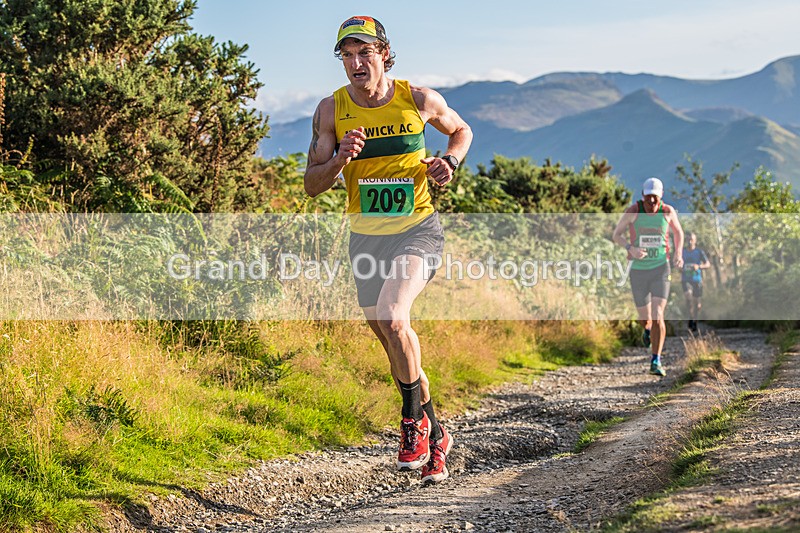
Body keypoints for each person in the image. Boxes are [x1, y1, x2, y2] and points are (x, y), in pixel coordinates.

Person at [303, 16, 472, 483]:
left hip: (417, 229)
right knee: (395, 339)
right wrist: (339, 159)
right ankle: (437, 433)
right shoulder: (331, 111)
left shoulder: (417, 99)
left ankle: (410, 422)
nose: (356, 63)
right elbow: (312, 185)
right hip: (366, 237)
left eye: (364, 52)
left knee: (396, 317)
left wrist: (449, 162)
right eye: (346, 55)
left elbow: (461, 131)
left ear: (383, 53)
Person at [612, 177, 684, 377]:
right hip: (638, 270)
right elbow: (616, 235)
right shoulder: (633, 212)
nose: (652, 202)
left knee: (658, 313)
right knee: (646, 318)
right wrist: (630, 248)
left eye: (655, 198)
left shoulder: (667, 211)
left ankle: (656, 360)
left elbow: (679, 233)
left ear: (661, 197)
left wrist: (678, 253)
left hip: (661, 268)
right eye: (648, 197)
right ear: (642, 196)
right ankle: (647, 329)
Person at [682, 232, 711, 333]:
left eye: (692, 240)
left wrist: (699, 267)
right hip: (686, 279)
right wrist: (679, 267)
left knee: (697, 304)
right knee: (689, 297)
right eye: (688, 240)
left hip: (697, 280)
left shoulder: (699, 252)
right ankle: (690, 318)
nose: (690, 242)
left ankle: (694, 319)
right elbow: (677, 263)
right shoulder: (682, 252)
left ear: (695, 241)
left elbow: (708, 264)